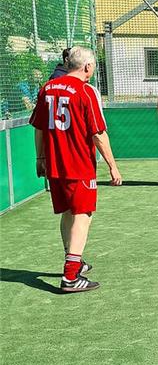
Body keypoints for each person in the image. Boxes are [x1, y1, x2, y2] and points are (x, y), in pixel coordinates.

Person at [29, 46, 122, 293]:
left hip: (54, 164)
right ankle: (70, 276)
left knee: (68, 213)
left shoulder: (47, 88)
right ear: (87, 67)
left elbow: (38, 127)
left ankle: (74, 262)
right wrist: (113, 167)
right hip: (78, 165)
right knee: (83, 215)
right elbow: (99, 134)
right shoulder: (85, 91)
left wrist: (40, 157)